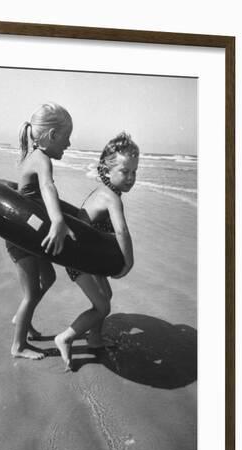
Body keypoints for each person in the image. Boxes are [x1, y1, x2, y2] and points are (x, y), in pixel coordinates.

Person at [54, 132, 139, 371]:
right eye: (125, 171)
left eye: (134, 171)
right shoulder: (111, 197)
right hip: (79, 259)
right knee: (103, 307)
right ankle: (66, 337)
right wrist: (128, 263)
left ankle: (94, 338)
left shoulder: (105, 192)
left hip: (89, 257)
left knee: (106, 295)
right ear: (106, 169)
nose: (131, 177)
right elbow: (122, 232)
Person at [8, 103, 76, 360]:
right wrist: (58, 221)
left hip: (30, 234)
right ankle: (18, 346)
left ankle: (22, 320)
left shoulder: (33, 156)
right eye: (67, 138)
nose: (68, 145)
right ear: (52, 135)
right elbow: (47, 187)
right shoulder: (41, 159)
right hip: (20, 237)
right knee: (31, 292)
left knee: (48, 278)